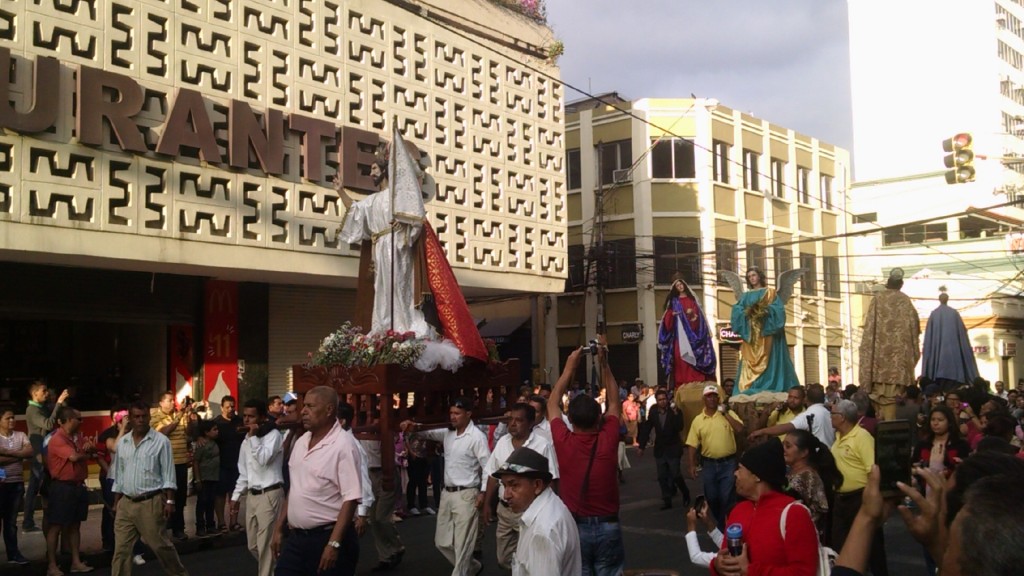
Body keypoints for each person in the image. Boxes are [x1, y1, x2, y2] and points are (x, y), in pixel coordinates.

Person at [547, 337, 626, 576]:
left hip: (576, 525)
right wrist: (604, 364)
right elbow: (614, 402)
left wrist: (569, 367)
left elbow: (552, 404)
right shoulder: (608, 438)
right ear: (598, 419)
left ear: (570, 420)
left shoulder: (564, 440)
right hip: (609, 524)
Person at [272, 386, 363, 576]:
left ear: (329, 410)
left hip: (328, 537)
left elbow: (351, 498)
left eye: (310, 406)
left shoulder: (343, 444)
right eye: (303, 406)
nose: (303, 411)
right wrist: (279, 528)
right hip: (297, 540)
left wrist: (334, 544)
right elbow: (295, 489)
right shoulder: (301, 441)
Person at [400, 396, 490, 576]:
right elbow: (426, 432)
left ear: (468, 414)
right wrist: (412, 425)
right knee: (441, 542)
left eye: (457, 413)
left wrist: (483, 492)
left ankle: (462, 571)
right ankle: (472, 568)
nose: (453, 417)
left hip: (467, 493)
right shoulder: (447, 433)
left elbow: (488, 466)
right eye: (451, 413)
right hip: (447, 493)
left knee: (463, 544)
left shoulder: (477, 437)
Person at [712, 438, 819, 576]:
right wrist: (717, 565)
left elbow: (804, 572)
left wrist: (752, 571)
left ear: (757, 476)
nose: (735, 473)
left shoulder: (794, 514)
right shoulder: (738, 510)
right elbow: (726, 553)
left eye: (740, 469)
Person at [111, 401, 189, 576]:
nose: (140, 420)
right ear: (130, 419)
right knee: (121, 551)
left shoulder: (161, 441)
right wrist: (116, 502)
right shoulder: (123, 442)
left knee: (160, 546)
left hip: (150, 502)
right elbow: (119, 474)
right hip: (126, 503)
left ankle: (179, 574)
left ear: (149, 417)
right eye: (136, 417)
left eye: (144, 416)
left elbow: (169, 473)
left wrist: (169, 500)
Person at [482, 403, 558, 570]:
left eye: (519, 420)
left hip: (530, 511)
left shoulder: (542, 444)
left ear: (531, 423)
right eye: (510, 419)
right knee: (503, 558)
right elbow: (492, 475)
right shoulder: (502, 443)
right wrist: (487, 504)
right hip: (505, 510)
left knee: (531, 554)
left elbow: (552, 479)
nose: (513, 424)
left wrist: (547, 509)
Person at [490, 447, 581, 576]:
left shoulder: (542, 532)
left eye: (514, 485)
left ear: (537, 485)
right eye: (505, 486)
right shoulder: (551, 507)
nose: (506, 495)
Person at [830, 399, 886, 576]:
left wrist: (873, 499)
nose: (830, 417)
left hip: (859, 498)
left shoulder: (862, 437)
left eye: (833, 414)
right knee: (839, 543)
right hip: (840, 498)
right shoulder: (838, 436)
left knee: (872, 544)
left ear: (842, 417)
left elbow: (873, 470)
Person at [231, 399, 284, 576]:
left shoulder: (273, 435)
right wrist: (235, 496)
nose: (246, 420)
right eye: (244, 416)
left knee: (265, 546)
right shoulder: (246, 440)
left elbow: (263, 459)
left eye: (251, 416)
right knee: (252, 545)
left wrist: (254, 437)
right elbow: (244, 471)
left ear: (261, 417)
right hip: (253, 496)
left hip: (269, 492)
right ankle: (278, 568)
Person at [859, 268, 921, 420]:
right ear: (901, 284)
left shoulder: (877, 299)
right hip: (898, 369)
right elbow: (915, 328)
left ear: (887, 284)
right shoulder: (905, 301)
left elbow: (869, 330)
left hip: (877, 367)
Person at [729, 266, 801, 394]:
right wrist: (747, 312)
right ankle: (751, 385)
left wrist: (765, 311)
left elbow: (778, 309)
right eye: (749, 276)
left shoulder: (770, 292)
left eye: (754, 275)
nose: (752, 278)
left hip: (767, 334)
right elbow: (737, 310)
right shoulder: (746, 296)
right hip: (751, 335)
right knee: (748, 361)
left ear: (760, 276)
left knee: (770, 360)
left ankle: (770, 384)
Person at [46, 406, 96, 576]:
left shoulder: (77, 437)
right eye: (79, 419)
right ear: (69, 420)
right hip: (62, 487)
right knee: (56, 526)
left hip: (77, 485)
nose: (82, 422)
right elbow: (74, 456)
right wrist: (86, 454)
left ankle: (76, 562)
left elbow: (86, 450)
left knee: (75, 525)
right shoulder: (57, 438)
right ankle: (52, 565)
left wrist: (87, 449)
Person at [686, 385, 744, 531]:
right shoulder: (698, 420)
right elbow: (692, 444)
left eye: (714, 396)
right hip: (709, 465)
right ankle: (722, 521)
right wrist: (692, 465)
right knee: (712, 497)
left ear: (718, 398)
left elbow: (740, 429)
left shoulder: (727, 414)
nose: (712, 399)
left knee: (727, 497)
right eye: (708, 396)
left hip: (728, 463)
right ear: (703, 399)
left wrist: (725, 414)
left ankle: (725, 527)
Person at [356, 423, 406, 572]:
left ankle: (397, 546)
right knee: (374, 519)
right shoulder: (358, 433)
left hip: (386, 473)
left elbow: (396, 436)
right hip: (370, 474)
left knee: (381, 517)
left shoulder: (385, 432)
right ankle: (385, 556)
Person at [22, 381, 69, 532]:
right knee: (35, 488)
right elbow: (48, 424)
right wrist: (59, 403)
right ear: (34, 394)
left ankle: (34, 521)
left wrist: (59, 403)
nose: (46, 394)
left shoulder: (41, 407)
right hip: (39, 455)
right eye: (43, 391)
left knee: (39, 488)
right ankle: (28, 522)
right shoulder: (32, 410)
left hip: (44, 453)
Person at [658, 273, 716, 389]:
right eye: (677, 285)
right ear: (675, 288)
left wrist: (692, 315)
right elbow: (667, 320)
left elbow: (698, 321)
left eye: (681, 284)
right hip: (680, 338)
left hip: (693, 337)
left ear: (684, 285)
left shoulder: (692, 300)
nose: (680, 286)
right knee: (681, 360)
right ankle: (682, 384)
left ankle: (697, 382)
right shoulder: (674, 301)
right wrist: (673, 314)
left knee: (694, 359)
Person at [783, 429, 843, 543]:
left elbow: (821, 508)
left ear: (804, 452)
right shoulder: (790, 472)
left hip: (805, 535)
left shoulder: (809, 476)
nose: (784, 450)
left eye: (788, 446)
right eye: (783, 446)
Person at [637, 388, 689, 509]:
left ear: (667, 399)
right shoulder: (654, 411)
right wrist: (642, 446)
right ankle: (667, 500)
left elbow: (680, 427)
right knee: (662, 476)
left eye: (664, 399)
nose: (662, 402)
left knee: (676, 474)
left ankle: (685, 493)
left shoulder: (674, 411)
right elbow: (647, 427)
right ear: (656, 401)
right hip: (660, 449)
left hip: (673, 447)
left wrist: (676, 414)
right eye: (660, 400)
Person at [150, 392, 193, 540]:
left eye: (173, 401)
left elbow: (189, 433)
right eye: (168, 401)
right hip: (164, 464)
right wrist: (179, 416)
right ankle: (161, 531)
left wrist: (189, 418)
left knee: (180, 497)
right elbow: (163, 432)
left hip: (181, 462)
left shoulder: (179, 415)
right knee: (164, 498)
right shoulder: (156, 417)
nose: (172, 404)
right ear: (161, 403)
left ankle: (178, 528)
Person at [922, 292, 979, 392]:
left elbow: (929, 338)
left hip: (938, 363)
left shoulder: (935, 313)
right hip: (954, 361)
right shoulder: (953, 313)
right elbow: (962, 333)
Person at [749, 383, 835, 447]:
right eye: (790, 397)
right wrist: (768, 411)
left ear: (804, 399)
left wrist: (760, 432)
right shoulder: (780, 411)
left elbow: (786, 427)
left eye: (796, 398)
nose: (792, 400)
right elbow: (762, 425)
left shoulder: (807, 415)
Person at [0, 405, 31, 565]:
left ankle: (13, 554)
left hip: (16, 484)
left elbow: (29, 452)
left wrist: (6, 453)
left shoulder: (21, 435)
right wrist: (19, 456)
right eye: (7, 418)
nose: (12, 420)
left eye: (13, 417)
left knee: (11, 522)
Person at [212, 395, 244, 533]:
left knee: (235, 494)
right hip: (221, 464)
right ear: (221, 408)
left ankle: (234, 522)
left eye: (232, 406)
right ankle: (221, 522)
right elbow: (202, 433)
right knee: (220, 495)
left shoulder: (240, 421)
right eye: (227, 407)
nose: (230, 409)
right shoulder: (216, 423)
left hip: (238, 464)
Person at [192, 420, 220, 538]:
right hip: (204, 477)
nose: (217, 432)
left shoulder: (215, 443)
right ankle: (200, 527)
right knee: (202, 502)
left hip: (214, 476)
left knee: (210, 502)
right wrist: (198, 479)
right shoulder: (202, 445)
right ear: (206, 432)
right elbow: (196, 462)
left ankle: (210, 525)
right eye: (214, 429)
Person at [684, 499, 723, 568]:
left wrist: (691, 526)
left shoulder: (729, 558)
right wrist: (708, 522)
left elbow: (696, 557)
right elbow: (724, 544)